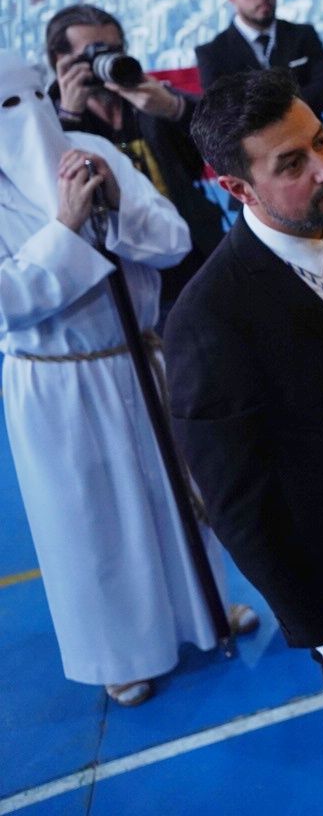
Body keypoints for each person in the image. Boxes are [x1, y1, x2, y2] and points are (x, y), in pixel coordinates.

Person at [166, 69, 323, 815]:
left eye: (322, 142)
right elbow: (238, 507)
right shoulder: (210, 320)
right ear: (235, 188)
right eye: (292, 163)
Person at [0, 51, 252, 709]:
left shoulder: (93, 152)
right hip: (60, 381)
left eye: (32, 98)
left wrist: (114, 206)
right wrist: (64, 228)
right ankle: (118, 653)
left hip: (138, 356)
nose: (26, 118)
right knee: (92, 520)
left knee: (174, 494)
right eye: (7, 107)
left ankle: (203, 611)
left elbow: (171, 239)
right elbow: (7, 300)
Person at [46, 5, 227, 315]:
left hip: (194, 257)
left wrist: (173, 108)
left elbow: (226, 128)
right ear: (60, 61)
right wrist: (69, 118)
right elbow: (52, 188)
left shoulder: (146, 94)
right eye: (92, 53)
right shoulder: (48, 122)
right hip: (124, 282)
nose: (104, 60)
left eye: (114, 50)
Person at [196, 0, 323, 118]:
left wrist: (262, 109)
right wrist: (290, 105)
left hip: (312, 133)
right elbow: (224, 115)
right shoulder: (213, 53)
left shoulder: (303, 35)